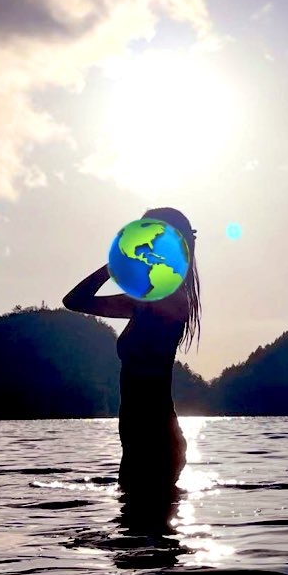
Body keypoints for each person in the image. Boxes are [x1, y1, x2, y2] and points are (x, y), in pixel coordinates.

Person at [62, 207, 201, 500]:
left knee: (145, 536)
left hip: (154, 441)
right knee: (141, 536)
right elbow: (74, 301)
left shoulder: (170, 302)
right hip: (140, 438)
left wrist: (120, 265)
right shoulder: (145, 303)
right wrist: (114, 266)